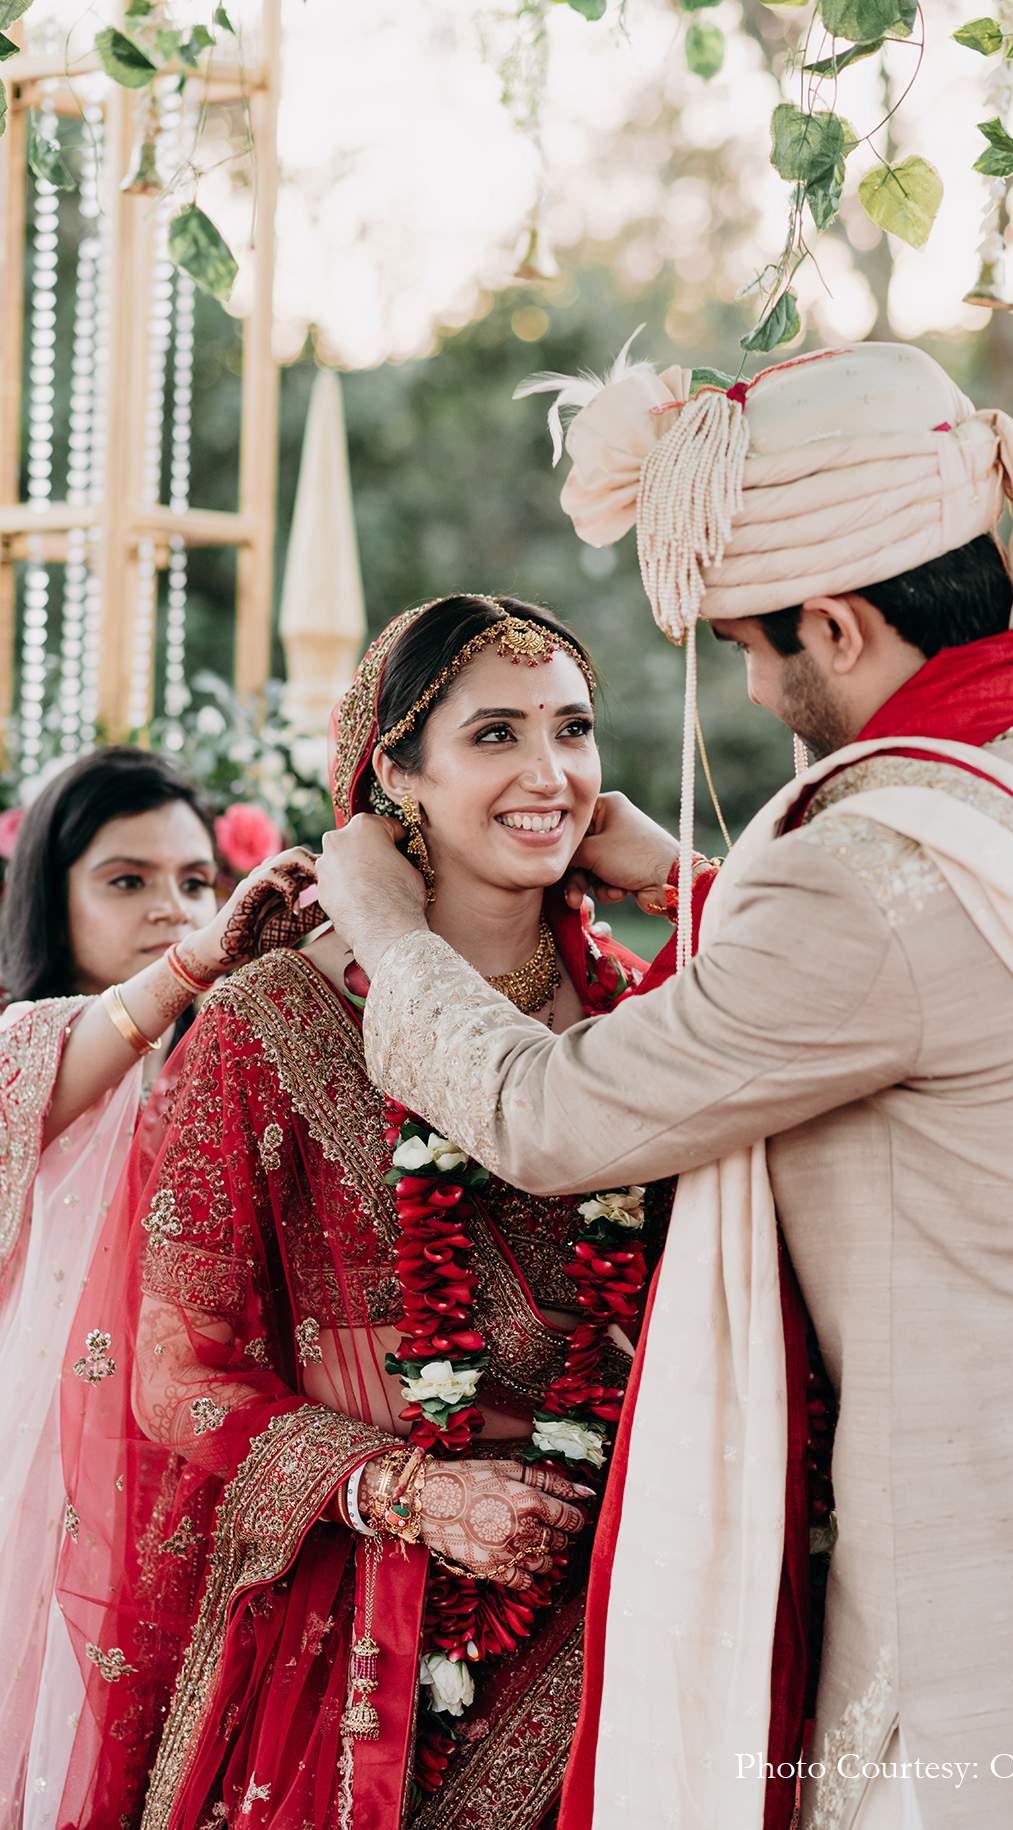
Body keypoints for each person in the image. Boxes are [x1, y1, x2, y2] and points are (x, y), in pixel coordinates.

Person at [317, 342, 1013, 1830]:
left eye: (748, 643)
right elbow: (982, 961)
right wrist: (694, 882)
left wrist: (386, 927)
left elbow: (552, 1116)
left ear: (842, 625)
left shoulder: (863, 877)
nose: (747, 682)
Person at [54, 596, 682, 1830]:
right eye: (494, 736)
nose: (548, 774)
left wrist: (677, 877)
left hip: (634, 1600)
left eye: (572, 730)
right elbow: (178, 1375)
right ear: (395, 770)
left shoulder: (648, 1017)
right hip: (361, 1632)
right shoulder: (271, 1022)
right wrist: (409, 1493)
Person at [0, 747, 315, 1827]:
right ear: (52, 892)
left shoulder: (229, 1068)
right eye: (125, 880)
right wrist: (198, 958)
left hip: (210, 1468)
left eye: (194, 880)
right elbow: (83, 1047)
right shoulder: (29, 1047)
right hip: (57, 1493)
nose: (169, 907)